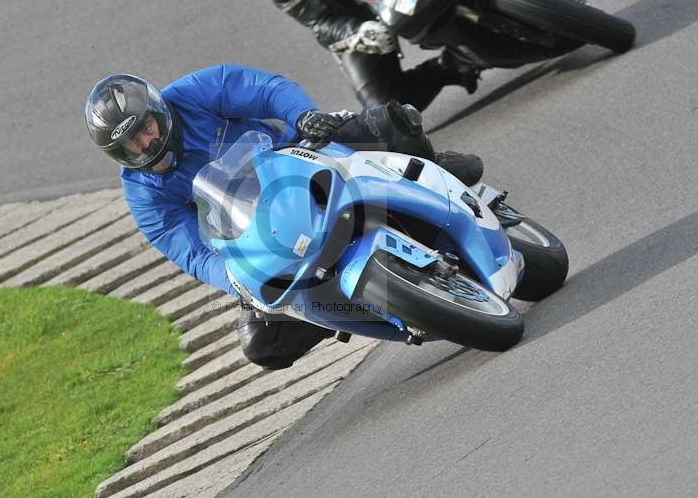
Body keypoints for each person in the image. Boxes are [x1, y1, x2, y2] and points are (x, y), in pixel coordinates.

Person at [85, 64, 482, 369]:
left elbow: (265, 90)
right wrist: (234, 279)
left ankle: (435, 174)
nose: (146, 143)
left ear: (158, 111)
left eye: (146, 128)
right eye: (131, 144)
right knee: (263, 344)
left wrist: (302, 116)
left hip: (299, 158)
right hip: (262, 236)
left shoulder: (194, 92)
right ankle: (349, 312)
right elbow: (191, 252)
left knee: (392, 122)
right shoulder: (142, 195)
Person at [256, 0, 480, 111]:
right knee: (386, 109)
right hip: (357, 14)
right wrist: (358, 33)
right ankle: (453, 65)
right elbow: (320, 21)